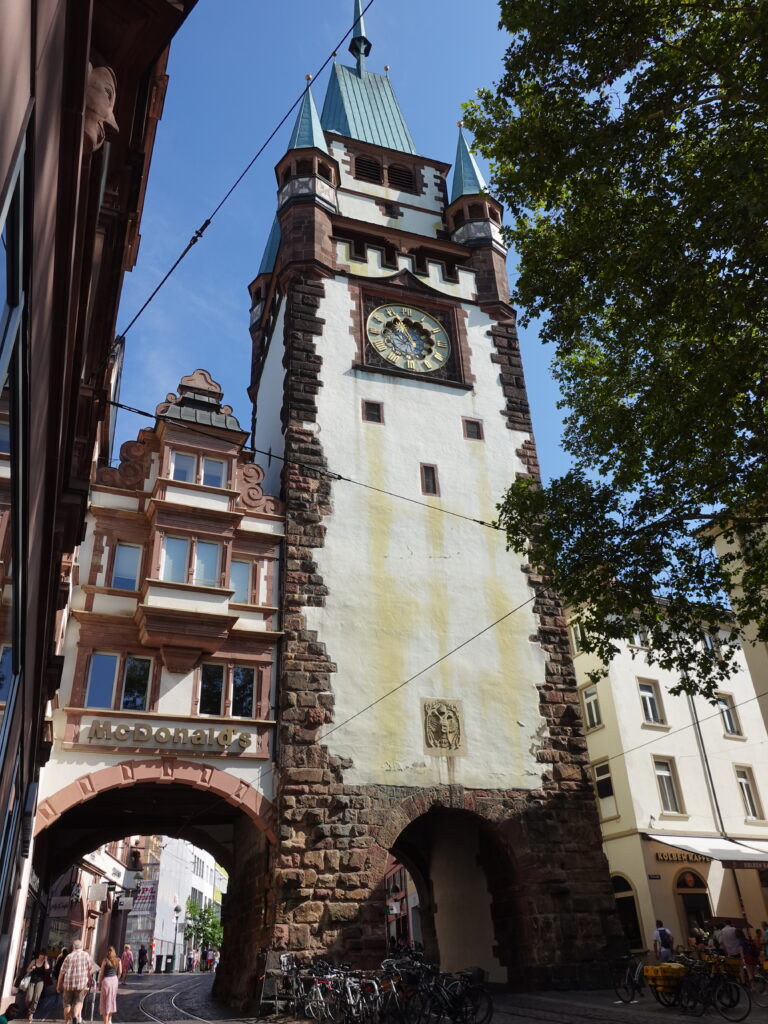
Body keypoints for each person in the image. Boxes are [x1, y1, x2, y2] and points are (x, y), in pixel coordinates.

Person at [56, 939, 94, 1024]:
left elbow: (62, 972)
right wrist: (89, 979)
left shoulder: (69, 956)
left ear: (73, 947)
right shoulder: (86, 955)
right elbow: (90, 969)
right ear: (81, 947)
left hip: (68, 984)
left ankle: (67, 1021)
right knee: (79, 1001)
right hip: (81, 984)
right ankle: (75, 1016)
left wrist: (58, 985)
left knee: (67, 1004)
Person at [23, 951, 50, 1021]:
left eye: (43, 956)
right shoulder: (34, 961)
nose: (41, 957)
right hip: (32, 981)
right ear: (39, 955)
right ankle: (29, 1009)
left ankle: (31, 1013)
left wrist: (46, 960)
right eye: (41, 955)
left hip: (40, 982)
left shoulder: (45, 963)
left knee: (36, 998)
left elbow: (47, 968)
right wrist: (32, 968)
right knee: (28, 998)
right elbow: (27, 970)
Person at [98, 946, 121, 1024]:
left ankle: (105, 1022)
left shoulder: (105, 960)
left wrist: (99, 984)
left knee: (105, 1002)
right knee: (111, 1000)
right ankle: (110, 1021)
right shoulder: (118, 960)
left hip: (106, 981)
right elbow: (120, 972)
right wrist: (117, 979)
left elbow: (101, 973)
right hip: (114, 980)